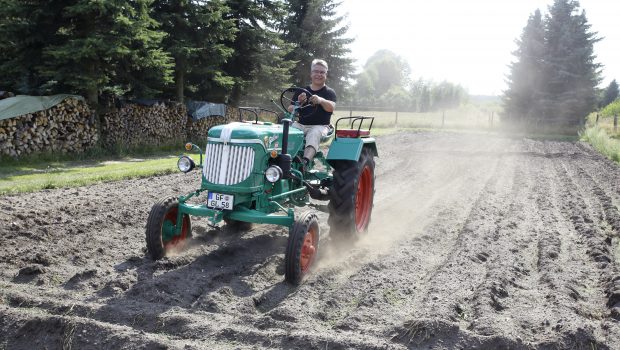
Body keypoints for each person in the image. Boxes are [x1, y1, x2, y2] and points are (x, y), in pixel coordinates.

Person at [287, 59, 336, 167]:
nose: (319, 74)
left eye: (322, 72)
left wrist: (320, 100)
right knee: (285, 130)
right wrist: (299, 102)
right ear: (311, 74)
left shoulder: (329, 92)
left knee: (314, 133)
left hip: (320, 126)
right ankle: (284, 160)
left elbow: (331, 108)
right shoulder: (302, 90)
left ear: (326, 75)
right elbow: (290, 108)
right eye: (316, 71)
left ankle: (304, 163)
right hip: (300, 125)